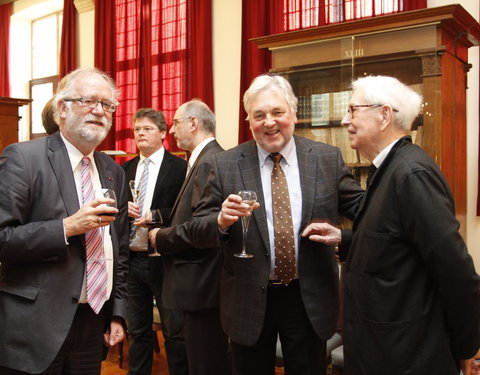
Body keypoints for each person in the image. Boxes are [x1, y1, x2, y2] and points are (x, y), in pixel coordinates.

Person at [179, 74, 364, 375]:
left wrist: (344, 237)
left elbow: (368, 212)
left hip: (308, 298)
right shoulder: (224, 164)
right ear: (248, 120)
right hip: (247, 300)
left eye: (277, 112)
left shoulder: (326, 159)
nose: (269, 122)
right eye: (259, 115)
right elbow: (196, 229)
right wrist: (221, 221)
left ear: (293, 113)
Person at [302, 75, 480, 375]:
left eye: (353, 110)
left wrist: (467, 348)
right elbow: (392, 241)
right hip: (383, 350)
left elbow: (455, 271)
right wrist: (344, 238)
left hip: (407, 356)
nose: (346, 121)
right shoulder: (388, 169)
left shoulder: (411, 174)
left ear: (384, 115)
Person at [0, 67, 129, 374]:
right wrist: (67, 227)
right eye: (89, 101)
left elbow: (120, 251)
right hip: (34, 326)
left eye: (108, 105)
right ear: (62, 108)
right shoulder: (23, 159)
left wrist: (118, 313)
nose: (99, 111)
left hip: (92, 322)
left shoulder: (114, 171)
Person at [148, 100, 229, 375]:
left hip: (201, 284)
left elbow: (202, 227)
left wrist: (160, 237)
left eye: (175, 123)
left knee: (205, 363)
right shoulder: (203, 159)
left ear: (193, 123)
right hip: (196, 283)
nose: (171, 130)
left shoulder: (210, 161)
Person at [121, 108, 188, 375]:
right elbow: (112, 212)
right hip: (132, 260)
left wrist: (156, 216)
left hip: (164, 261)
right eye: (137, 130)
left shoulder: (181, 168)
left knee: (175, 333)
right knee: (137, 332)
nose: (140, 134)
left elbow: (187, 212)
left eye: (147, 129)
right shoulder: (124, 169)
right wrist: (122, 210)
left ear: (163, 133)